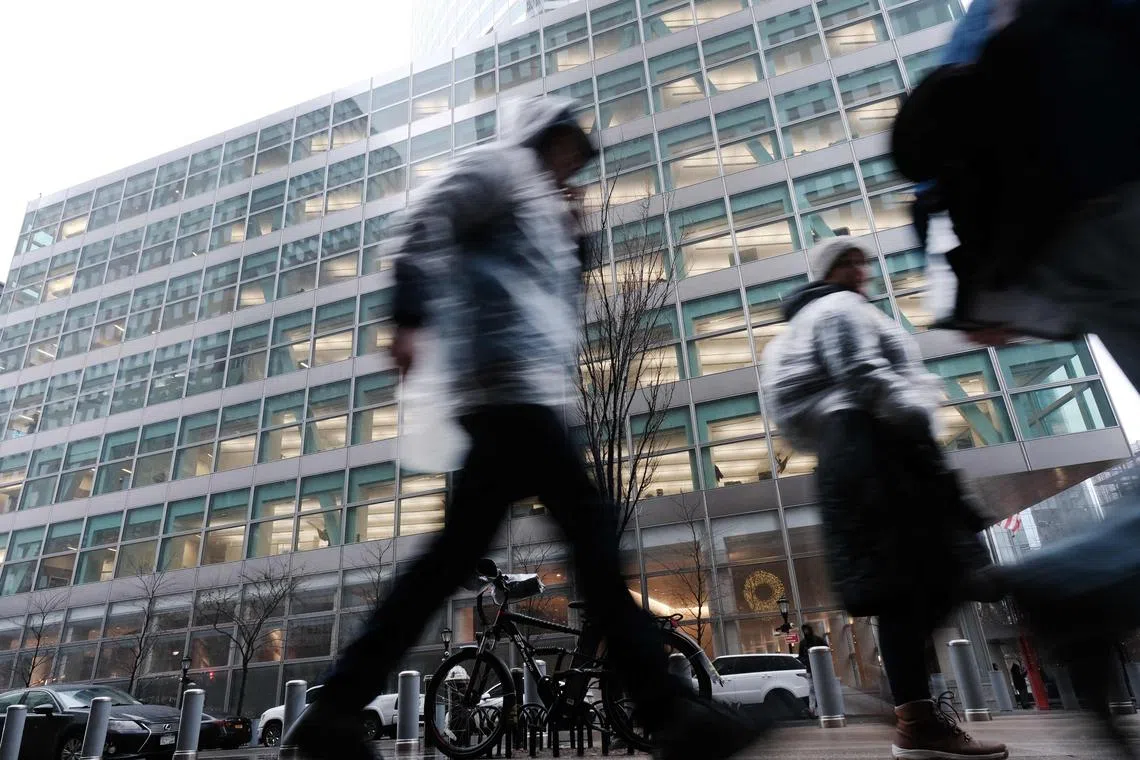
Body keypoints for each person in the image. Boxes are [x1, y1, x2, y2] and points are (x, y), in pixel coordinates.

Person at [280, 97, 760, 760]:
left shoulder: (537, 203)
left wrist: (576, 233)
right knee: (590, 542)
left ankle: (334, 711)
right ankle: (669, 712)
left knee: (453, 561)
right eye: (564, 146)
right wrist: (408, 318)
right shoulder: (498, 169)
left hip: (523, 396)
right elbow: (424, 222)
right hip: (507, 394)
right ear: (540, 137)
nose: (571, 163)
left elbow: (550, 293)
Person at [760, 237, 1007, 760]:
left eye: (861, 260)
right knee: (930, 576)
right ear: (829, 272)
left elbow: (789, 410)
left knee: (908, 583)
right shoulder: (839, 310)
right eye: (848, 261)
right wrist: (915, 413)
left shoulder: (795, 332)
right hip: (877, 445)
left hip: (847, 452)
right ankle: (915, 716)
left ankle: (913, 712)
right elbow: (866, 375)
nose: (860, 269)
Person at [797, 624, 827, 717]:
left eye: (807, 630)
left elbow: (826, 650)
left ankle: (821, 708)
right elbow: (800, 656)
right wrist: (806, 661)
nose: (806, 632)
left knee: (818, 689)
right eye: (804, 630)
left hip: (819, 668)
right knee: (812, 689)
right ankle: (813, 709)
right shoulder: (803, 643)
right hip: (810, 669)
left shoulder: (818, 640)